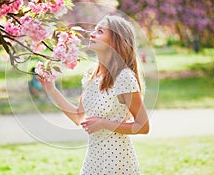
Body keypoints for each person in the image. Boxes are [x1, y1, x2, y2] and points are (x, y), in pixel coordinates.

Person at [38, 15, 149, 175]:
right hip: (93, 159)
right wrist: (51, 90)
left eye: (100, 31)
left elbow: (143, 126)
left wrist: (104, 124)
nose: (92, 34)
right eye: (94, 29)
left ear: (115, 41)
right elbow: (78, 116)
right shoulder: (92, 74)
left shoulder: (124, 77)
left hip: (117, 162)